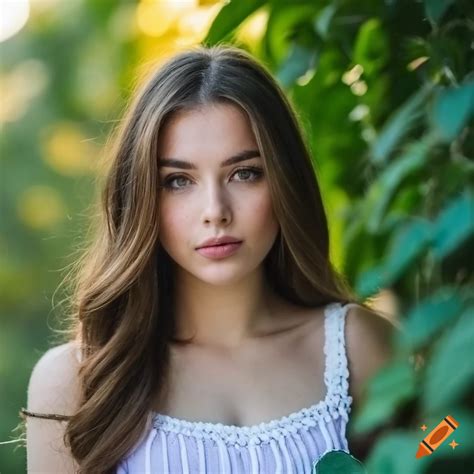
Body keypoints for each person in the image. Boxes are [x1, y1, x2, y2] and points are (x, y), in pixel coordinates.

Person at [22, 43, 397, 473]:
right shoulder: (77, 382)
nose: (215, 209)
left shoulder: (355, 346)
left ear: (284, 182)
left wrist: (425, 452)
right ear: (141, 195)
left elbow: (446, 435)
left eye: (245, 173)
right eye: (179, 181)